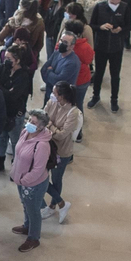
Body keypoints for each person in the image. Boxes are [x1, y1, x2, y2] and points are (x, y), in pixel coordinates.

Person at [8, 108, 56, 251]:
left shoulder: (42, 145)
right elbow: (18, 154)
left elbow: (38, 170)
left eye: (33, 122)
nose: (29, 123)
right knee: (25, 204)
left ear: (41, 127)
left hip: (33, 184)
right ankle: (27, 226)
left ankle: (34, 237)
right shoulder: (25, 132)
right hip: (21, 179)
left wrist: (23, 180)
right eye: (29, 120)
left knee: (33, 209)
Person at [0, 44, 34, 168]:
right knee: (1, 137)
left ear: (17, 60)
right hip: (1, 111)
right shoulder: (2, 68)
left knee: (15, 141)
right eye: (5, 58)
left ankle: (17, 165)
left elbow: (13, 96)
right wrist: (6, 90)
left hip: (15, 114)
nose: (6, 61)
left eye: (9, 59)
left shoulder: (24, 75)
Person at [43, 81, 80, 222]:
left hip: (61, 151)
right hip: (46, 146)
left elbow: (61, 135)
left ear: (62, 96)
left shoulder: (73, 112)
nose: (52, 95)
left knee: (56, 179)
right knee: (41, 176)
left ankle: (53, 205)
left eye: (55, 93)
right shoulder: (52, 102)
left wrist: (49, 124)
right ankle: (61, 203)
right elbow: (43, 115)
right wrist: (50, 125)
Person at [90, 0, 127, 110]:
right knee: (99, 72)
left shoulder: (124, 7)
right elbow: (92, 25)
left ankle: (114, 99)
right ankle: (95, 96)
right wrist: (101, 27)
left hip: (116, 47)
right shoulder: (100, 7)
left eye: (117, 0)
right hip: (101, 46)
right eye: (111, 0)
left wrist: (120, 29)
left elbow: (129, 25)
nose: (114, 3)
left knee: (115, 75)